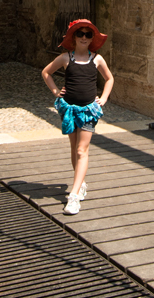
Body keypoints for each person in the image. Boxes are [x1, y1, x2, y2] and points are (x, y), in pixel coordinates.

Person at [42, 18, 114, 215]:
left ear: (92, 38)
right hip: (69, 110)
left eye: (88, 34)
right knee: (75, 149)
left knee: (82, 150)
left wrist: (104, 98)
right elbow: (46, 72)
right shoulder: (66, 58)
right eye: (80, 34)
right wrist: (55, 91)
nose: (84, 37)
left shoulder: (97, 59)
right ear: (73, 37)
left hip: (89, 110)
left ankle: (73, 196)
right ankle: (80, 183)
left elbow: (109, 78)